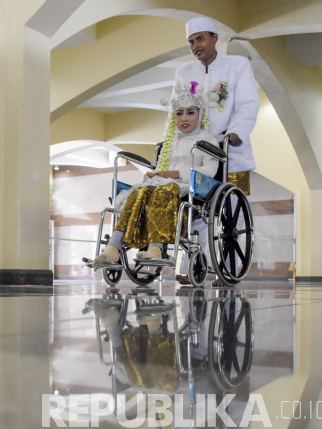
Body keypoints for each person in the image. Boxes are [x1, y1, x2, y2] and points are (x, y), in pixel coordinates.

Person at [92, 82, 219, 268]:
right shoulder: (169, 143)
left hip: (189, 186)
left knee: (163, 191)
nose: (184, 118)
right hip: (161, 183)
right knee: (137, 193)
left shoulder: (208, 141)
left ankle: (155, 248)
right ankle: (113, 248)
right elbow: (160, 168)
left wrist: (175, 173)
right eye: (179, 113)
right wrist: (152, 175)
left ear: (200, 115)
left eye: (190, 112)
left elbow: (210, 170)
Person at [175, 17, 260, 287]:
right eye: (190, 41)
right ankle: (191, 267)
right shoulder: (183, 72)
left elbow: (248, 103)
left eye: (200, 39)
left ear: (214, 38)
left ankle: (228, 270)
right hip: (197, 153)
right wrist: (169, 144)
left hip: (230, 151)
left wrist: (237, 132)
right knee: (195, 210)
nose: (195, 46)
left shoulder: (237, 66)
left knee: (229, 215)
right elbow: (175, 113)